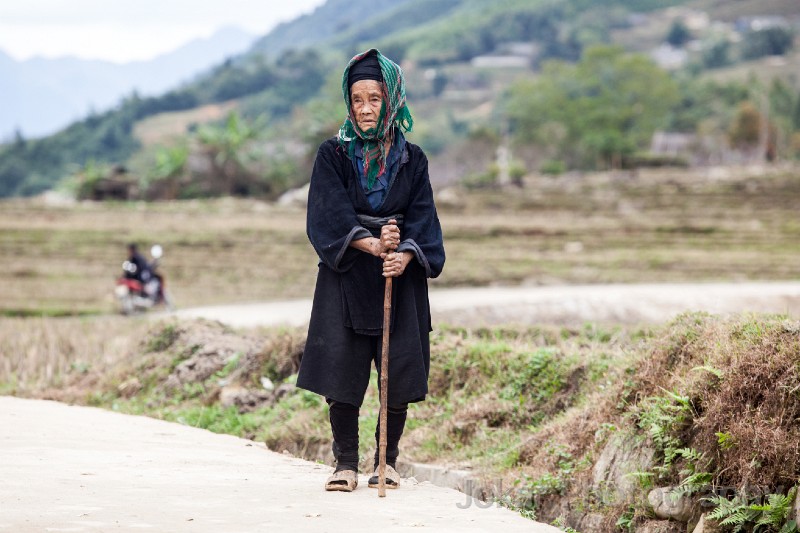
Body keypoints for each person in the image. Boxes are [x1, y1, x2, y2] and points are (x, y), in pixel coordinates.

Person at [296, 48, 445, 492]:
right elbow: (326, 215)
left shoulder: (412, 160)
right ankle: (345, 463)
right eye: (357, 99)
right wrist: (372, 244)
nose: (364, 108)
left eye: (374, 99)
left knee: (396, 371)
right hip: (345, 275)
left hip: (399, 280)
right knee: (341, 372)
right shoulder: (333, 155)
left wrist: (404, 255)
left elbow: (424, 219)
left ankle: (387, 462)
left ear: (392, 101)